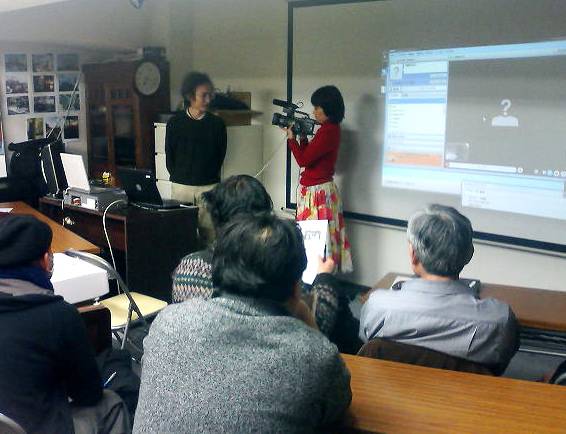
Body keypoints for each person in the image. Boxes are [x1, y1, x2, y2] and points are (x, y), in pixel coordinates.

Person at [134, 213, 352, 433]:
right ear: (296, 287)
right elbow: (338, 402)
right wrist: (308, 322)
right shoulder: (313, 355)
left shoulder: (168, 321)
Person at [172, 174, 361, 354]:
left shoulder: (187, 266)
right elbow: (314, 329)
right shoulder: (268, 272)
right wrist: (325, 279)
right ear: (262, 220)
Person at [0, 215, 130, 434]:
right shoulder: (58, 315)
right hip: (41, 427)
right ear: (45, 260)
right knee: (111, 403)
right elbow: (88, 393)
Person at [359, 204, 519, 374]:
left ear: (413, 255)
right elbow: (500, 360)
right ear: (469, 254)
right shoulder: (499, 320)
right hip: (463, 391)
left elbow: (367, 343)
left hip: (387, 388)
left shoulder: (377, 306)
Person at [286, 85, 353, 273]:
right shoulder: (328, 129)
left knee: (315, 243)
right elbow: (310, 157)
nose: (314, 112)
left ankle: (316, 278)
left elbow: (303, 160)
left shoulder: (328, 131)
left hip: (318, 195)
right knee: (317, 241)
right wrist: (303, 138)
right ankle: (316, 277)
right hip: (318, 192)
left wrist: (291, 139)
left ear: (328, 108)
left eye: (317, 107)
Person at [165, 71, 227, 247]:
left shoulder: (217, 124)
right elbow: (170, 154)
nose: (208, 99)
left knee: (211, 234)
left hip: (209, 186)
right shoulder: (175, 123)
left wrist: (208, 177)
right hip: (181, 186)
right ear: (189, 96)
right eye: (203, 95)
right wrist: (179, 176)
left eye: (210, 95)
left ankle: (209, 264)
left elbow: (220, 155)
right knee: (180, 232)